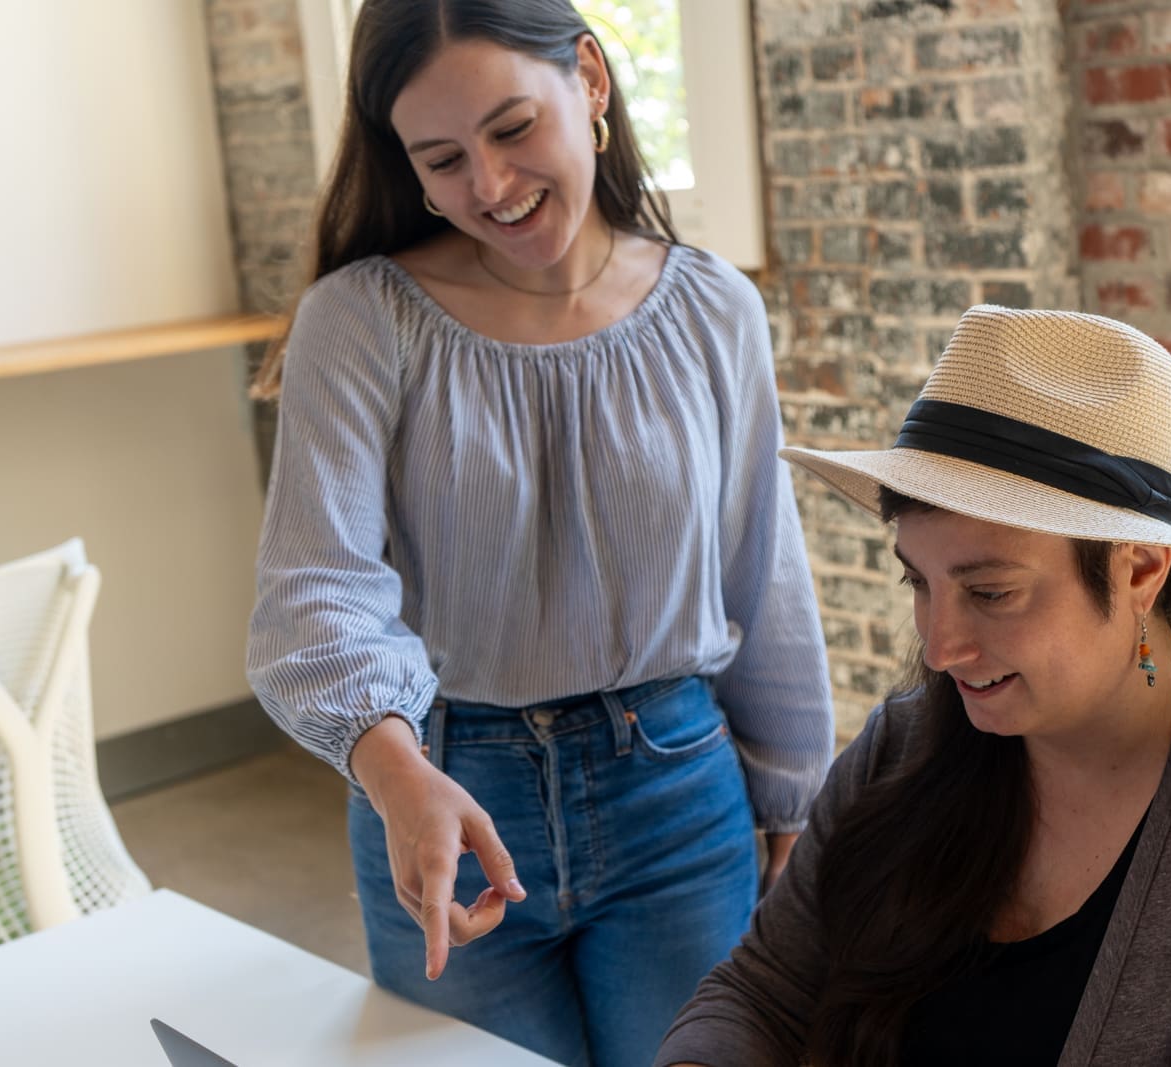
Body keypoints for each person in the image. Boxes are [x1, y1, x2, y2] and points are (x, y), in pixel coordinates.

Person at [244, 3, 834, 1065]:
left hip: (679, 791)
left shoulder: (713, 309)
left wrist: (798, 791)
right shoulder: (360, 319)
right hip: (446, 794)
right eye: (442, 159)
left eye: (512, 128)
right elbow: (315, 587)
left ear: (591, 80)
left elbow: (764, 571)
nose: (490, 183)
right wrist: (397, 776)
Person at [656, 306, 1171, 1066]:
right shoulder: (908, 743)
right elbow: (765, 994)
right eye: (918, 581)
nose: (940, 647)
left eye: (991, 592)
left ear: (1140, 570)